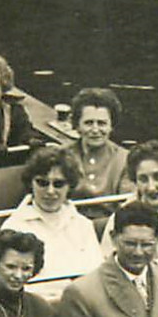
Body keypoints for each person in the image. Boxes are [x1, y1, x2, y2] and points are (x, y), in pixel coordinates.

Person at [0, 145, 102, 300]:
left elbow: (95, 273)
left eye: (58, 184)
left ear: (70, 186)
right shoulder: (13, 227)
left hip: (79, 304)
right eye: (42, 182)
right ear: (31, 183)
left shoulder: (83, 225)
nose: (50, 191)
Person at [66, 87, 131, 224]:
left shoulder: (126, 159)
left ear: (111, 126)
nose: (95, 130)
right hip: (67, 223)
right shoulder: (62, 156)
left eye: (102, 123)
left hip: (108, 226)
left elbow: (126, 207)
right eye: (88, 123)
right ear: (77, 126)